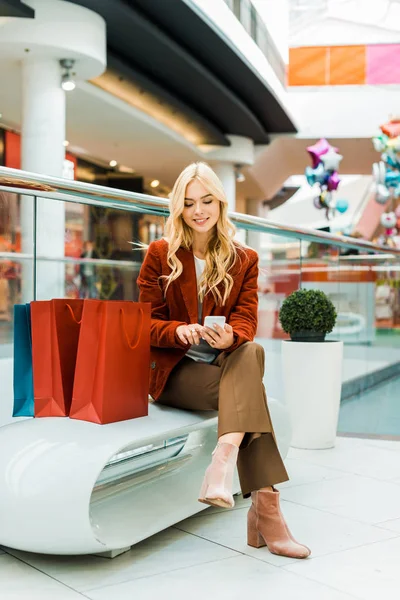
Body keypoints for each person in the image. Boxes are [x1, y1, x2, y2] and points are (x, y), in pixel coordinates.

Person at [137, 162, 310, 559]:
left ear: (221, 203)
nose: (199, 211)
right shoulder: (161, 255)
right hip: (175, 373)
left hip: (224, 364)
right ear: (178, 209)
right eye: (189, 203)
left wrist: (231, 335)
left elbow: (246, 319)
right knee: (252, 393)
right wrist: (176, 331)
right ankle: (267, 514)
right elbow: (144, 325)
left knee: (251, 350)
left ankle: (225, 459)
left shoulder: (243, 258)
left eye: (207, 201)